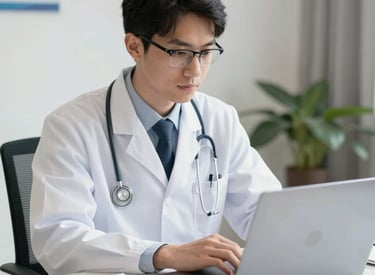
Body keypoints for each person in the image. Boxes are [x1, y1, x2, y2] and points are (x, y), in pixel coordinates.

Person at [30, 0, 281, 274]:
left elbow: (267, 214)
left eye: (206, 52)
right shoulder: (71, 127)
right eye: (179, 52)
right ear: (134, 46)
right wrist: (162, 255)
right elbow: (58, 240)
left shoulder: (219, 119)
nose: (194, 71)